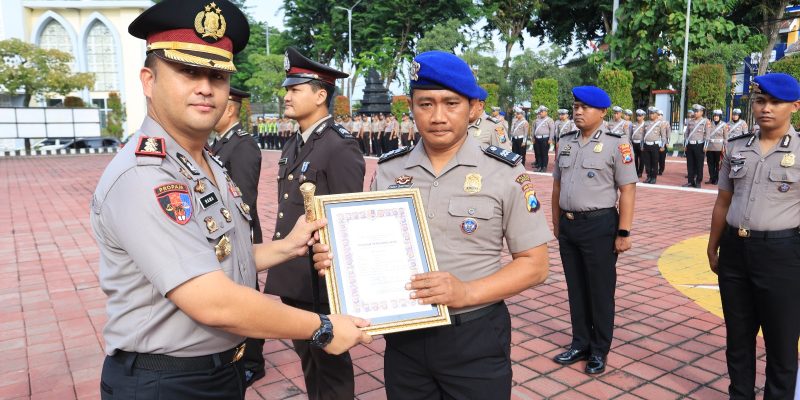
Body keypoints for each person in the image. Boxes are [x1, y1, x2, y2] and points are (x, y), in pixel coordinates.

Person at [93, 2, 371, 399]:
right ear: (148, 80)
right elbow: (213, 301)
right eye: (188, 72)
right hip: (167, 381)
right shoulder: (147, 174)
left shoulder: (203, 160)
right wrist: (321, 326)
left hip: (218, 370)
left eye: (218, 75)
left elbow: (219, 255)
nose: (206, 87)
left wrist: (285, 248)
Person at [314, 50, 552, 400]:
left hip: (475, 335)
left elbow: (536, 265)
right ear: (411, 106)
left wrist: (466, 292)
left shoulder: (504, 172)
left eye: (450, 103)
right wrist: (337, 263)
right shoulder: (391, 171)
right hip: (405, 338)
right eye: (425, 104)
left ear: (473, 109)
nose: (438, 116)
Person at [265, 47, 366, 400]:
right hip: (296, 275)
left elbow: (347, 221)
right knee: (308, 360)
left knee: (331, 364)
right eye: (287, 88)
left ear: (321, 95)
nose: (286, 95)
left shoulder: (340, 147)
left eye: (295, 89)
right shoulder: (295, 143)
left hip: (322, 279)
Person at [707, 72, 800, 400]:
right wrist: (713, 246)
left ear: (795, 106)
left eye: (776, 102)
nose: (766, 108)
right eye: (761, 101)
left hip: (782, 254)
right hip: (735, 250)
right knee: (738, 340)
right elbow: (723, 201)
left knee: (782, 344)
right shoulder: (736, 148)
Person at [551, 86, 637, 375]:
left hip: (600, 225)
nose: (577, 111)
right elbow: (557, 187)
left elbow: (627, 190)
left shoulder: (617, 144)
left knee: (599, 291)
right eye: (575, 106)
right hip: (569, 224)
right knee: (575, 288)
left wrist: (623, 232)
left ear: (602, 112)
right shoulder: (565, 142)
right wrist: (556, 222)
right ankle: (580, 342)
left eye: (584, 107)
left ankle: (599, 350)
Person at [210, 87, 266, 386]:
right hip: (221, 237)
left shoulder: (243, 146)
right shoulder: (219, 144)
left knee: (247, 294)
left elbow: (243, 198)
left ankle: (253, 361)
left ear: (230, 109)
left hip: (238, 235)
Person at [684, 104, 712, 187]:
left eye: (697, 111)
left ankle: (698, 181)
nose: (695, 113)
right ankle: (690, 181)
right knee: (690, 164)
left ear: (701, 112)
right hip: (690, 145)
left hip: (699, 145)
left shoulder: (706, 121)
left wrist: (706, 146)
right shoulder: (690, 121)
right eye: (694, 111)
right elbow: (686, 133)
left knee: (699, 164)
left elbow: (707, 135)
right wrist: (685, 144)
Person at [641, 108, 668, 184]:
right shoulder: (646, 123)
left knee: (654, 162)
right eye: (650, 113)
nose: (651, 115)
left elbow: (663, 136)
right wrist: (642, 145)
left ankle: (653, 177)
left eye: (653, 113)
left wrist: (663, 146)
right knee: (647, 162)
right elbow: (643, 135)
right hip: (646, 145)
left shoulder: (660, 124)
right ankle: (648, 176)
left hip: (655, 145)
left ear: (656, 114)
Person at [705, 109, 728, 185]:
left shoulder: (724, 125)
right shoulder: (709, 124)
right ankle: (711, 178)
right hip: (710, 147)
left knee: (718, 164)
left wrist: (724, 147)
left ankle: (717, 179)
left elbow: (726, 138)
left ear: (720, 117)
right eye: (714, 116)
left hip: (719, 147)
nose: (715, 117)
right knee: (710, 163)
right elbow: (707, 135)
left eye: (717, 116)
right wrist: (705, 146)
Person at [531, 105, 555, 172]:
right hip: (537, 138)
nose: (540, 113)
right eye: (540, 112)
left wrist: (550, 139)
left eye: (542, 111)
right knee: (538, 153)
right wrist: (533, 137)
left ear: (546, 112)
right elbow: (534, 129)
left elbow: (552, 130)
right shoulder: (537, 120)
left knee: (544, 153)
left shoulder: (549, 120)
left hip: (545, 139)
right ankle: (539, 166)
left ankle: (544, 167)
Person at [629, 109, 646, 177]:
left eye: (640, 116)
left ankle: (640, 172)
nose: (638, 117)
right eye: (637, 115)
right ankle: (635, 171)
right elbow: (630, 134)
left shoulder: (645, 125)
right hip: (634, 143)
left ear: (643, 116)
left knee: (642, 159)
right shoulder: (633, 124)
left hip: (641, 143)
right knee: (634, 158)